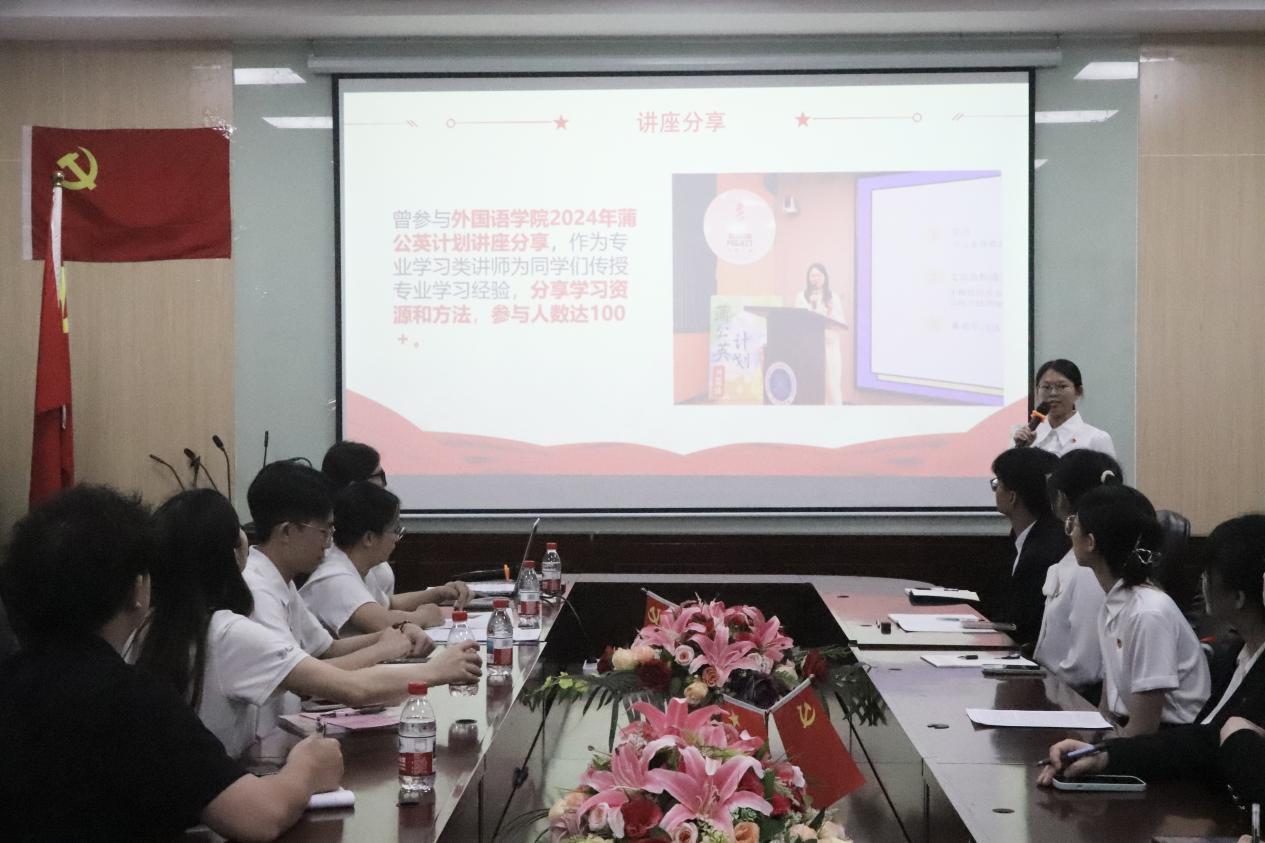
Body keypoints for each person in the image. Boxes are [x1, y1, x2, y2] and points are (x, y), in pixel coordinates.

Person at [0, 485, 343, 841]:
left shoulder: (13, 680)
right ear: (137, 589)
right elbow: (258, 815)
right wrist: (307, 764)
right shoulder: (132, 700)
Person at [135, 488, 483, 758]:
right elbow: (351, 687)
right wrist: (435, 670)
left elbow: (324, 650)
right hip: (228, 789)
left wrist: (386, 641)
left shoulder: (145, 626)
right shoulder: (228, 632)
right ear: (231, 553)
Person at [1038, 515, 1265, 791]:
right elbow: (1201, 740)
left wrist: (1111, 755)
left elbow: (1213, 747)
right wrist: (1104, 756)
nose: (1202, 582)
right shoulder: (1236, 655)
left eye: (1209, 574)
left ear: (1239, 597)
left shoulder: (1150, 612)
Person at [243, 461, 446, 731]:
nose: (329, 543)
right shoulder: (256, 593)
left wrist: (394, 633)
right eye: (324, 531)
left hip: (290, 727)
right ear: (287, 532)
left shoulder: (281, 580)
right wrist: (383, 649)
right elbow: (305, 681)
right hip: (266, 740)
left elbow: (327, 649)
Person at [1071, 484, 1209, 736]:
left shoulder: (1148, 613)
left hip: (1172, 741)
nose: (1069, 533)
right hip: (1132, 736)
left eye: (1074, 525)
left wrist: (1100, 752)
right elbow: (1107, 709)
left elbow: (1144, 729)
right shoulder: (1114, 603)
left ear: (1090, 542)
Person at [321, 440, 471, 612]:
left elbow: (385, 604)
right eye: (380, 476)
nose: (385, 484)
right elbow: (378, 618)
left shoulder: (358, 559)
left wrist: (438, 593)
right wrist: (417, 618)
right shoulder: (335, 564)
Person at [302, 482, 453, 636]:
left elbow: (389, 604)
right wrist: (423, 616)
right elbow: (383, 623)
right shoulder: (335, 577)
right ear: (369, 538)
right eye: (395, 530)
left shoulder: (354, 566)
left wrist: (438, 593)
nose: (397, 538)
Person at [1031, 450, 1121, 695]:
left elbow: (1084, 669)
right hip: (1054, 687)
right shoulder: (1077, 557)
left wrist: (1039, 687)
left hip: (1072, 696)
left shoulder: (1090, 568)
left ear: (1060, 498)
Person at [988, 446, 1066, 647]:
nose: (995, 490)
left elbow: (1020, 625)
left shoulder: (1042, 552)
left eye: (997, 484)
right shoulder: (1029, 537)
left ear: (1012, 496)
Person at [1012, 359, 1116, 457]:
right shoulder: (1024, 437)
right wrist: (1022, 450)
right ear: (1037, 391)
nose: (1053, 393)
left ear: (1078, 391)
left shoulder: (1096, 439)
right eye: (1046, 387)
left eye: (1062, 386)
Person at [792, 262, 846, 405]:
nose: (815, 278)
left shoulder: (833, 297)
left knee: (832, 383)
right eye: (812, 275)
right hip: (809, 346)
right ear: (808, 278)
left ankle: (836, 414)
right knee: (810, 383)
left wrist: (828, 314)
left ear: (825, 277)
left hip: (829, 345)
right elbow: (796, 319)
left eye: (818, 275)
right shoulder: (801, 297)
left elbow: (841, 322)